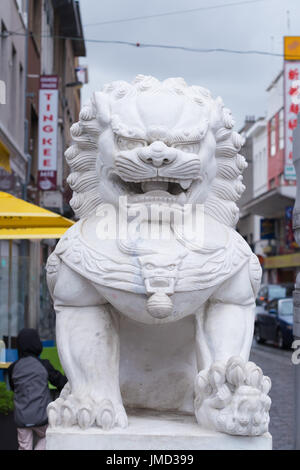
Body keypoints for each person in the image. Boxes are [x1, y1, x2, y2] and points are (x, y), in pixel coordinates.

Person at [7, 328, 67, 451]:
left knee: (24, 446)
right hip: (42, 417)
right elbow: (60, 382)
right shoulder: (44, 365)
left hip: (22, 418)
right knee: (49, 436)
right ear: (37, 344)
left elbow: (13, 387)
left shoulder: (13, 368)